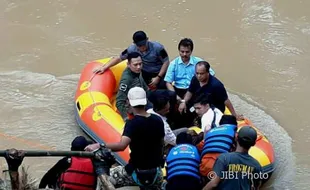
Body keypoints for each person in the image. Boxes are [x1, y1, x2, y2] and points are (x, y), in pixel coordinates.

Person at [85, 87, 165, 190]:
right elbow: (161, 143)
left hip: (136, 171)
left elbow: (121, 146)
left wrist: (99, 145)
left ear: (129, 103)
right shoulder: (158, 120)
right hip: (156, 172)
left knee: (104, 180)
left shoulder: (132, 124)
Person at [94, 31, 170, 89]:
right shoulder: (132, 49)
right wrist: (104, 67)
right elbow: (119, 58)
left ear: (147, 39)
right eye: (139, 45)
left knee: (163, 87)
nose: (142, 47)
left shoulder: (158, 47)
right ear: (134, 43)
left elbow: (166, 62)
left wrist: (158, 77)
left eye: (144, 44)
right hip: (144, 71)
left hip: (159, 72)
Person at [178, 61, 243, 120]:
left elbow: (226, 100)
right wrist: (183, 102)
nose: (199, 76)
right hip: (199, 104)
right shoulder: (195, 79)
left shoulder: (216, 85)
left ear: (208, 72)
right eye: (197, 73)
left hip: (212, 108)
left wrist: (234, 115)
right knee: (184, 112)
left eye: (202, 74)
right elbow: (190, 91)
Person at [199, 115, 238, 185]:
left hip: (203, 168)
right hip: (218, 170)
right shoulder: (235, 134)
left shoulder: (210, 132)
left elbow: (199, 147)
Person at [115, 52, 150, 120]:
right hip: (135, 105)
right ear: (128, 64)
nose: (139, 67)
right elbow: (119, 102)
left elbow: (144, 85)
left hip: (143, 98)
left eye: (140, 64)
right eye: (135, 65)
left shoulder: (137, 71)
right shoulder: (126, 79)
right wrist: (126, 118)